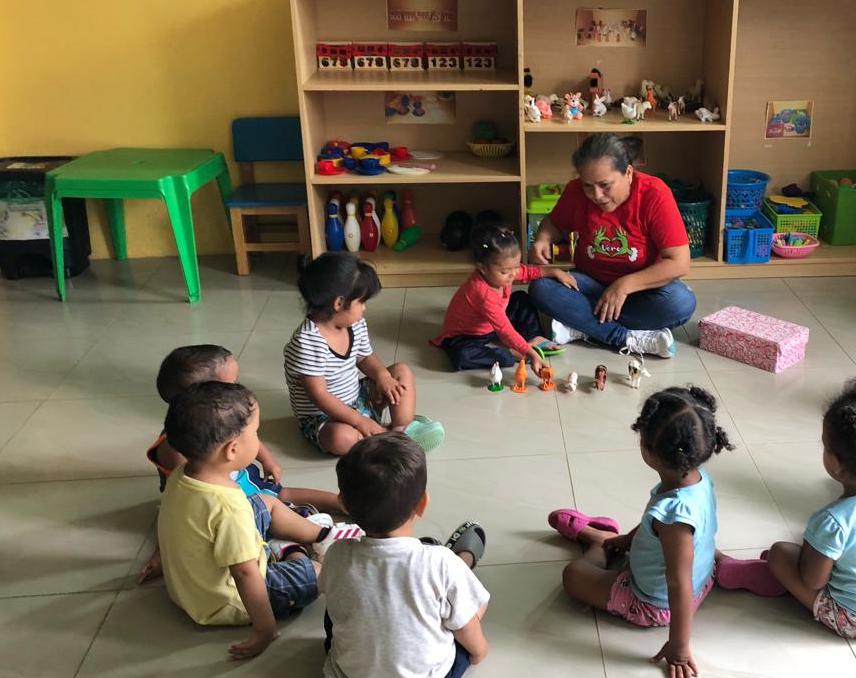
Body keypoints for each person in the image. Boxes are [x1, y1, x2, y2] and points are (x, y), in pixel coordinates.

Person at [547, 385, 732, 678]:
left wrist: (679, 646)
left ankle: (598, 542)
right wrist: (628, 540)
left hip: (655, 603)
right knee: (670, 543)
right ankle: (614, 541)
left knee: (573, 576)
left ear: (648, 451)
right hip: (703, 576)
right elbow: (654, 527)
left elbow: (678, 584)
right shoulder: (698, 480)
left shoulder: (674, 518)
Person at [716, 379, 856, 640]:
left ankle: (753, 573)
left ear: (836, 463)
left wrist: (797, 560)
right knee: (804, 554)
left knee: (780, 553)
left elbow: (813, 580)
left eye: (825, 444)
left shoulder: (833, 520)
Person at [139, 344, 346, 584]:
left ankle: (340, 504)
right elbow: (175, 508)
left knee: (279, 494)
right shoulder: (179, 451)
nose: (239, 389)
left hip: (239, 481)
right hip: (224, 509)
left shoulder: (221, 427)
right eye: (231, 384)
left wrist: (267, 460)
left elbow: (249, 438)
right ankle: (295, 550)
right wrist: (161, 553)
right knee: (272, 521)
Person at [157, 381, 331, 660]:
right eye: (256, 432)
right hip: (228, 600)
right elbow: (245, 574)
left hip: (190, 589)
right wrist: (264, 630)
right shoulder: (229, 508)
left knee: (264, 501)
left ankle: (322, 535)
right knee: (319, 573)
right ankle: (291, 551)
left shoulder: (182, 475)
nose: (259, 440)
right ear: (233, 449)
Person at [321, 432, 490, 678]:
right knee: (471, 602)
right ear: (422, 504)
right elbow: (465, 627)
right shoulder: (439, 563)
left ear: (344, 506)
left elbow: (329, 593)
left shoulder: (337, 553)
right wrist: (478, 651)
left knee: (335, 605)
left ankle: (451, 580)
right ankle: (463, 562)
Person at [527, 133, 696, 359]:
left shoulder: (654, 194)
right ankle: (623, 337)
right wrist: (542, 238)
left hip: (640, 290)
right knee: (541, 287)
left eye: (605, 185)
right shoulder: (575, 191)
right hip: (590, 283)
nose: (596, 195)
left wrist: (624, 285)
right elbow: (555, 223)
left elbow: (679, 262)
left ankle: (584, 327)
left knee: (680, 302)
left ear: (628, 173)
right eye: (588, 186)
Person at [285, 253, 443, 456]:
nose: (364, 307)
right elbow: (320, 395)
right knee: (340, 438)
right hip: (323, 417)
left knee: (400, 371)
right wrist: (359, 421)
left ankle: (401, 429)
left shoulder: (355, 324)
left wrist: (383, 377)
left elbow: (365, 358)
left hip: (358, 398)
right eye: (361, 301)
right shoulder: (307, 342)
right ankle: (385, 439)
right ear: (339, 303)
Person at [431, 223, 577, 374]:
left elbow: (528, 271)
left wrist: (555, 271)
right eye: (505, 271)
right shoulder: (482, 293)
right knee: (462, 356)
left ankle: (535, 337)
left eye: (516, 267)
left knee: (521, 298)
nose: (513, 274)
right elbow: (505, 330)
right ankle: (510, 354)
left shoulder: (507, 271)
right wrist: (529, 353)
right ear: (482, 268)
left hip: (491, 324)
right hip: (467, 336)